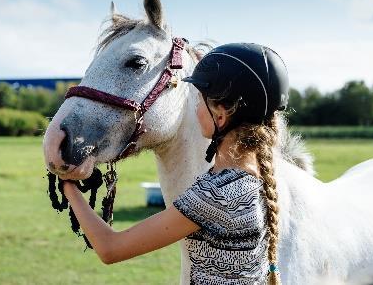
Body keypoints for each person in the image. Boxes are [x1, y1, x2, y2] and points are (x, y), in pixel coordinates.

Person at [60, 43, 289, 285]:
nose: (196, 108)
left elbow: (110, 248)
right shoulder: (258, 178)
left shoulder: (217, 195)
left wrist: (69, 188)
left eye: (199, 101)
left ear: (220, 115)